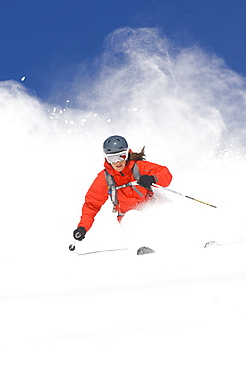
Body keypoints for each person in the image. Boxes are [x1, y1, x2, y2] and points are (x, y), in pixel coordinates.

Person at [73, 135, 172, 254]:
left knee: (167, 205)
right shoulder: (105, 178)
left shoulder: (139, 167)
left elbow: (165, 174)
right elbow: (92, 204)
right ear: (106, 158)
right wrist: (83, 227)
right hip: (128, 218)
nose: (118, 162)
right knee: (133, 216)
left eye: (121, 156)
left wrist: (153, 178)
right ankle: (145, 248)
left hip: (151, 208)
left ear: (127, 154)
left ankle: (193, 239)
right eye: (112, 158)